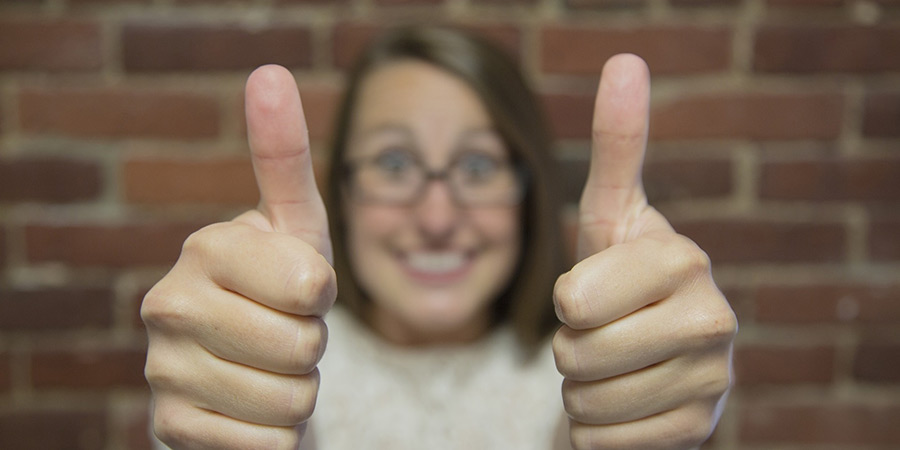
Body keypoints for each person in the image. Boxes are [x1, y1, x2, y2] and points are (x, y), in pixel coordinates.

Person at [141, 27, 737, 450]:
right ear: (342, 192)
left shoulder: (607, 376)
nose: (435, 216)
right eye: (395, 163)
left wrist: (633, 400)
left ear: (527, 192)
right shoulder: (244, 371)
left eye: (477, 167)